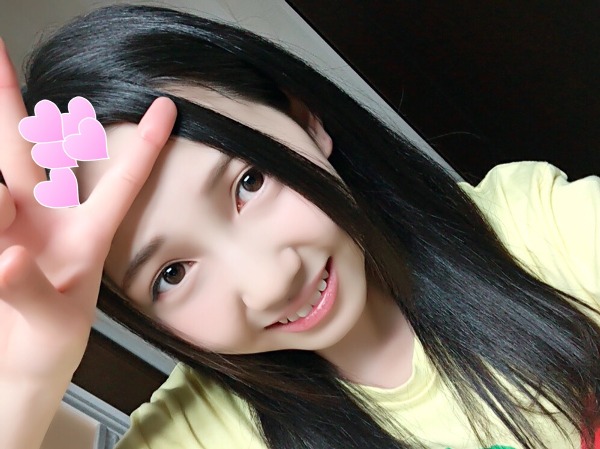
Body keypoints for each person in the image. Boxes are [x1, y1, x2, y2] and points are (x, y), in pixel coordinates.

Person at [0, 4, 598, 449]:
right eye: (172, 273)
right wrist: (25, 389)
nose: (270, 282)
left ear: (304, 118)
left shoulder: (531, 228)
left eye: (249, 182)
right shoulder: (205, 433)